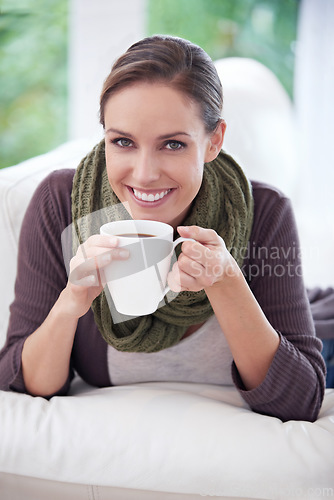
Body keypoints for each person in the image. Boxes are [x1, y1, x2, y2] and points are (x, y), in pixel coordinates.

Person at [0, 35, 326, 421]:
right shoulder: (62, 204)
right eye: (123, 141)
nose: (145, 174)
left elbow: (300, 401)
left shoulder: (265, 212)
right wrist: (70, 303)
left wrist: (226, 283)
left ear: (213, 141)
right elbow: (22, 385)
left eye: (172, 145)